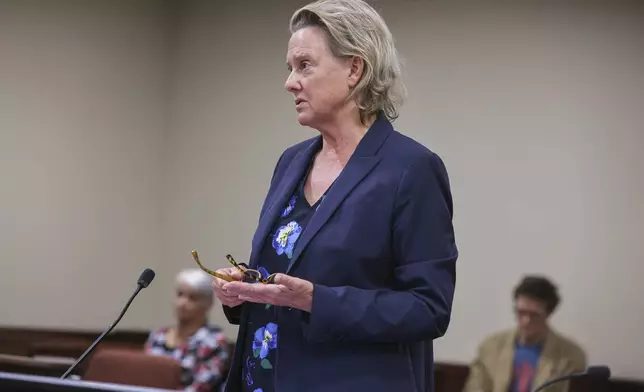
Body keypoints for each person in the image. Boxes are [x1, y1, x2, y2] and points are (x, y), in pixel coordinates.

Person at [212, 1, 458, 391]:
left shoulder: (410, 169)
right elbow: (291, 275)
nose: (290, 82)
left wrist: (318, 300)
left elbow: (428, 309)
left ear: (354, 69)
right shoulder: (291, 162)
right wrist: (245, 287)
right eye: (290, 68)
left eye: (304, 65)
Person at [463, 276, 586, 392]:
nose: (526, 321)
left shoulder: (570, 356)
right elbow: (475, 388)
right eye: (521, 312)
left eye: (534, 315)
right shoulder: (491, 347)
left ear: (548, 313)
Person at [145, 268, 231, 392]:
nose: (182, 302)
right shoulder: (158, 335)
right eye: (180, 295)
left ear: (208, 303)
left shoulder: (214, 341)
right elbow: (142, 376)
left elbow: (201, 387)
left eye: (192, 298)